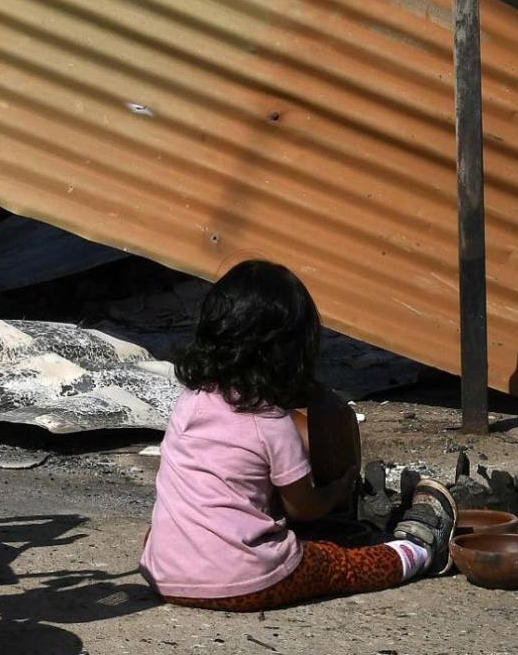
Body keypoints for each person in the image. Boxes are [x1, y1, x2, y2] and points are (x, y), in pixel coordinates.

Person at [139, 260, 457, 612]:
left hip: (165, 574)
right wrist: (336, 490)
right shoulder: (271, 424)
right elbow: (303, 509)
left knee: (186, 527)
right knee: (339, 565)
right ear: (290, 353)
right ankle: (420, 550)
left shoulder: (189, 403)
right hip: (243, 582)